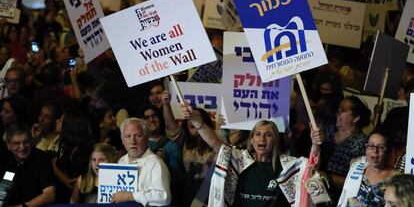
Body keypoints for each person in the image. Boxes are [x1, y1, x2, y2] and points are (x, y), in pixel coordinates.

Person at [181, 105, 324, 207]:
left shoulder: (287, 165)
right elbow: (214, 142)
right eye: (258, 134)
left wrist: (315, 143)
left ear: (275, 140)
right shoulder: (240, 159)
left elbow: (311, 167)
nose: (262, 139)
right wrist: (196, 121)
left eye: (268, 135)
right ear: (251, 140)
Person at [320, 96, 370, 202]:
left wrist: (326, 177)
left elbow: (355, 182)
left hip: (337, 198)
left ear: (355, 118)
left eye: (342, 110)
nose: (337, 113)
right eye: (338, 110)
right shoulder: (328, 131)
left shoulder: (360, 143)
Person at [111, 117, 171, 206]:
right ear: (122, 140)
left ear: (147, 139)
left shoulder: (156, 164)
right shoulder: (122, 161)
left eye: (138, 136)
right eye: (128, 136)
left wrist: (131, 196)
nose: (133, 141)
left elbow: (164, 197)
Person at [1, 122, 56, 206]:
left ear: (31, 141)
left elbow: (50, 195)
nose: (22, 147)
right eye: (17, 143)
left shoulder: (41, 158)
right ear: (8, 145)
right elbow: (2, 194)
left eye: (26, 142)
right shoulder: (6, 160)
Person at [338, 131, 395, 206]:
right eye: (371, 146)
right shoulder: (356, 166)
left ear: (388, 152)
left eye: (381, 147)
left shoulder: (396, 178)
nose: (375, 151)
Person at [53, 109, 94, 202]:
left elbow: (73, 184)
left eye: (61, 120)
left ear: (69, 126)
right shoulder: (67, 146)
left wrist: (53, 167)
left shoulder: (84, 151)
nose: (56, 121)